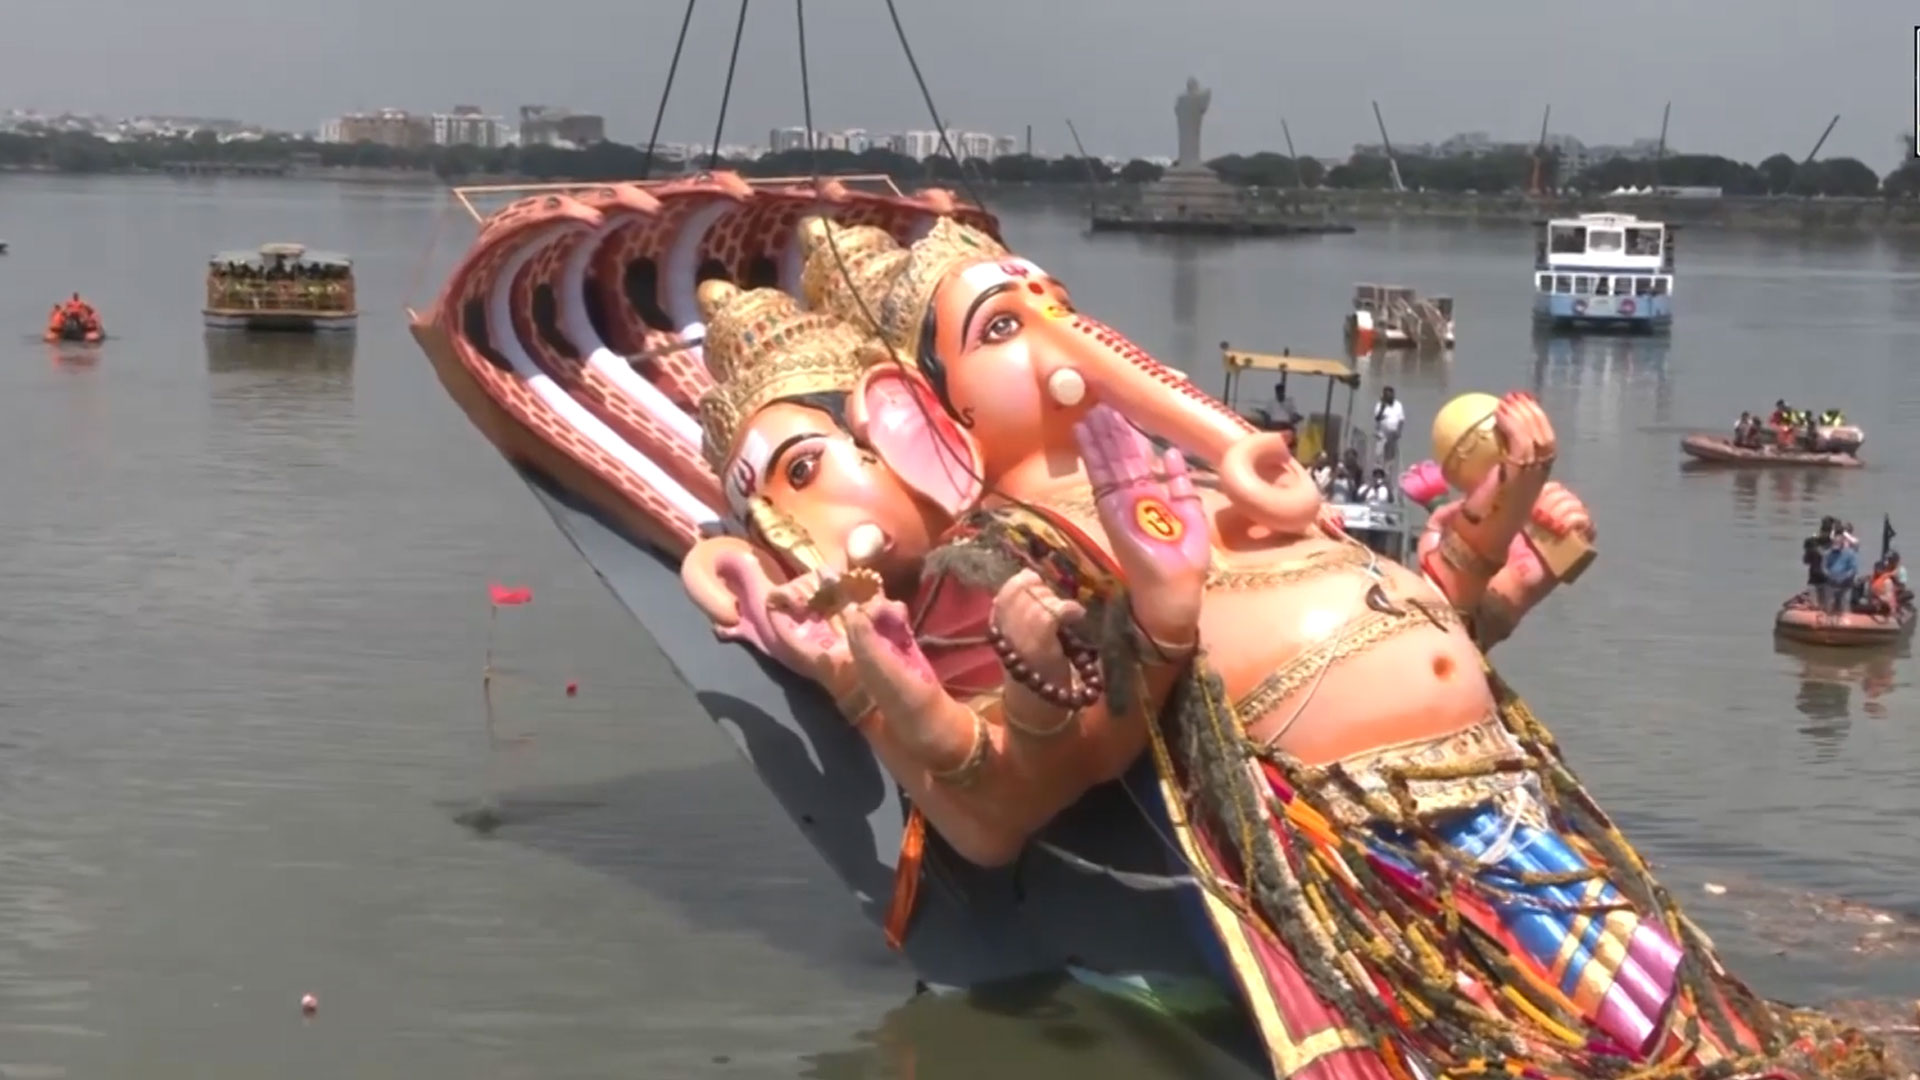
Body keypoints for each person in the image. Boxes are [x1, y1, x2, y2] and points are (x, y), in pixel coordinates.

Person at [1820, 532, 1860, 614]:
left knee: (1844, 604)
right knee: (1829, 605)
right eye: (1834, 545)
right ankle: (1829, 617)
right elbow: (1824, 567)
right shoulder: (1828, 554)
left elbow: (1853, 569)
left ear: (1842, 544)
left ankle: (1846, 619)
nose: (1835, 548)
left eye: (1837, 545)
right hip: (1831, 583)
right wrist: (1828, 575)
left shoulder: (1850, 554)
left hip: (1845, 585)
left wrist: (1844, 577)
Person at [1372, 386, 1406, 466]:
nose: (1388, 397)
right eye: (1386, 395)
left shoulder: (1398, 405)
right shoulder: (1379, 405)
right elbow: (1377, 418)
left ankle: (1388, 472)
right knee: (1378, 455)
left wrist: (1399, 431)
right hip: (1382, 435)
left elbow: (1401, 420)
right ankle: (1378, 471)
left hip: (1393, 435)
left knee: (1390, 457)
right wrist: (1382, 408)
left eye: (1390, 395)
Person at [1803, 517, 1835, 590]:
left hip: (1816, 577)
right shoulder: (1833, 542)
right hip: (1823, 578)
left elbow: (1806, 561)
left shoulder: (1813, 540)